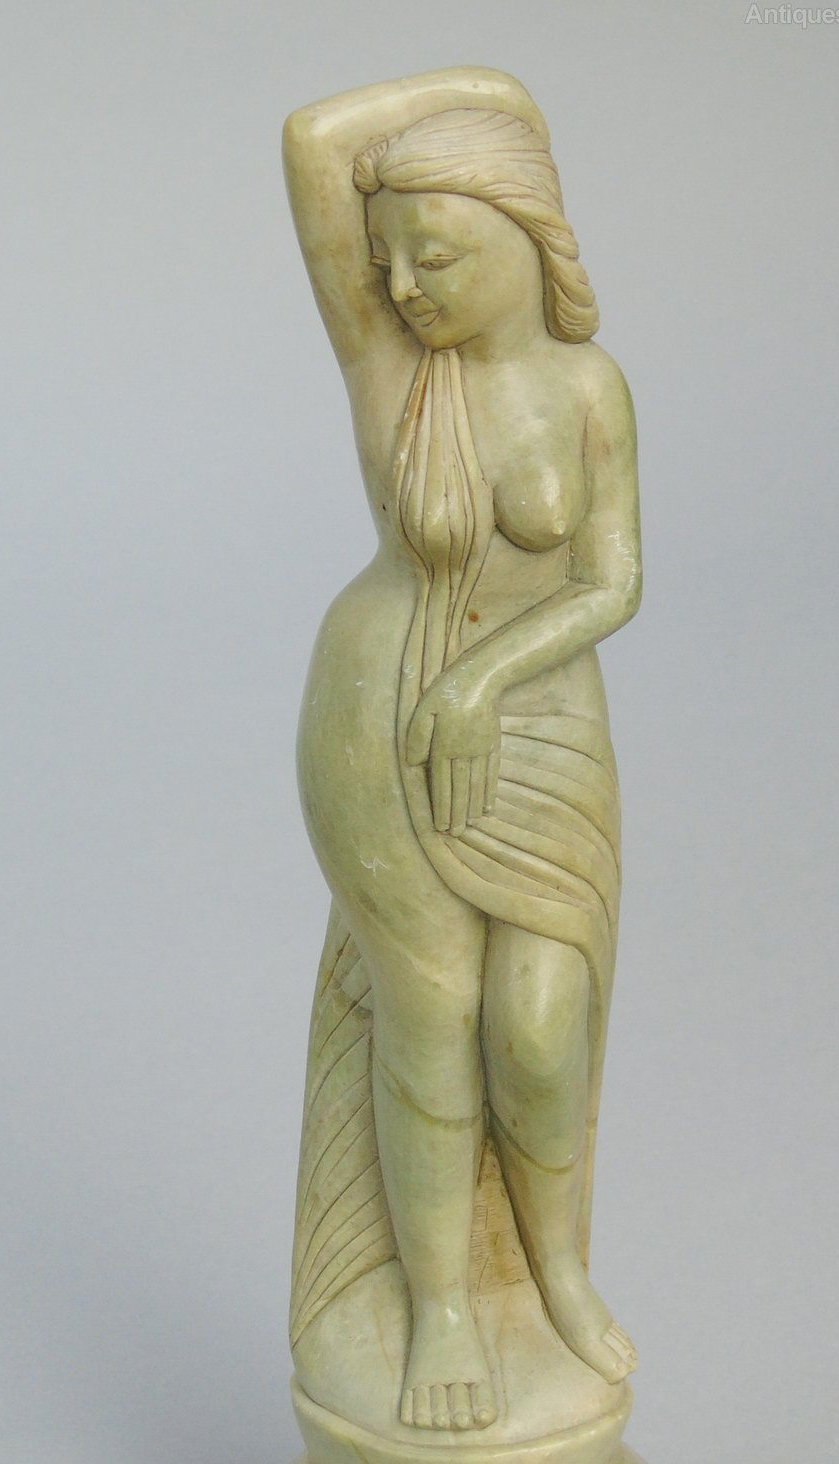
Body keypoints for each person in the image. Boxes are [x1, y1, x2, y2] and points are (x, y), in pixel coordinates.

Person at [284, 68, 641, 1435]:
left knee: (541, 1027)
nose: (406, 286)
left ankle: (556, 1274)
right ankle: (442, 1304)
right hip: (380, 716)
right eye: (390, 262)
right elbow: (313, 146)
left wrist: (488, 676)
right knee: (428, 1018)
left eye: (436, 256)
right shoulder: (392, 372)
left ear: (522, 231)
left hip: (535, 715)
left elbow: (612, 581)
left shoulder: (589, 386)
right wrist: (465, 124)